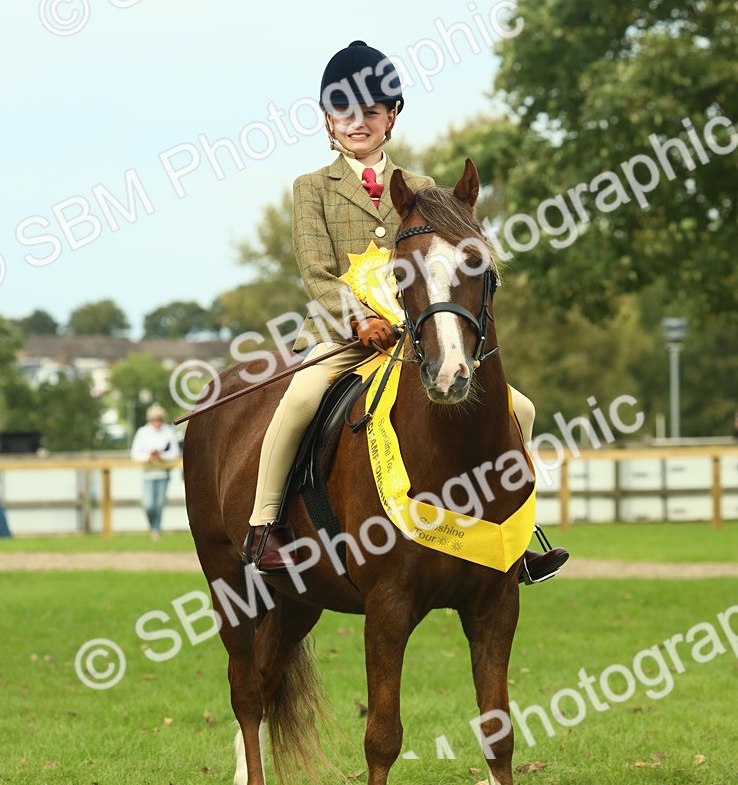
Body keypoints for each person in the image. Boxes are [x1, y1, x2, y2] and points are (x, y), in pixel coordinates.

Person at [243, 40, 568, 585]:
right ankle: (265, 524)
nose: (357, 122)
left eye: (370, 111)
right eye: (344, 112)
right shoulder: (311, 190)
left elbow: (449, 264)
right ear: (328, 120)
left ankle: (514, 534)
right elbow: (317, 274)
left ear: (390, 118)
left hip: (414, 337)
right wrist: (357, 320)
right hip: (341, 336)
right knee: (298, 398)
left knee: (524, 410)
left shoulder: (421, 190)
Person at [130, 404, 181, 539]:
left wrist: (161, 456)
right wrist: (148, 456)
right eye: (154, 419)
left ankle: (156, 530)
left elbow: (175, 452)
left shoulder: (168, 431)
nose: (157, 422)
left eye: (159, 419)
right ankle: (153, 526)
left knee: (159, 504)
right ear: (150, 419)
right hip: (148, 473)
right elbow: (135, 453)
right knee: (148, 504)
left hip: (163, 473)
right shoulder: (143, 432)